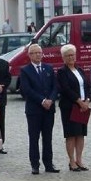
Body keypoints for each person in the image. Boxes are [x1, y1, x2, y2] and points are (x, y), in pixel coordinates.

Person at [19, 44, 59, 174]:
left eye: (39, 53)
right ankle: (35, 164)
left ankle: (48, 163)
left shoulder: (49, 68)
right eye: (34, 53)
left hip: (48, 109)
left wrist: (51, 100)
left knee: (48, 137)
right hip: (34, 109)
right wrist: (42, 100)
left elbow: (55, 87)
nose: (37, 55)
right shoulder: (25, 70)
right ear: (29, 55)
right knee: (34, 138)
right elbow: (26, 90)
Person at [56, 44, 91, 171]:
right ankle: (71, 161)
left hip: (83, 106)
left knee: (81, 134)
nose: (71, 57)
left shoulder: (80, 70)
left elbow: (87, 86)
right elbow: (66, 89)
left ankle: (79, 159)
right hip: (70, 107)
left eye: (73, 55)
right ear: (63, 58)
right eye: (68, 55)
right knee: (71, 134)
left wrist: (87, 100)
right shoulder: (62, 72)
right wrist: (79, 102)